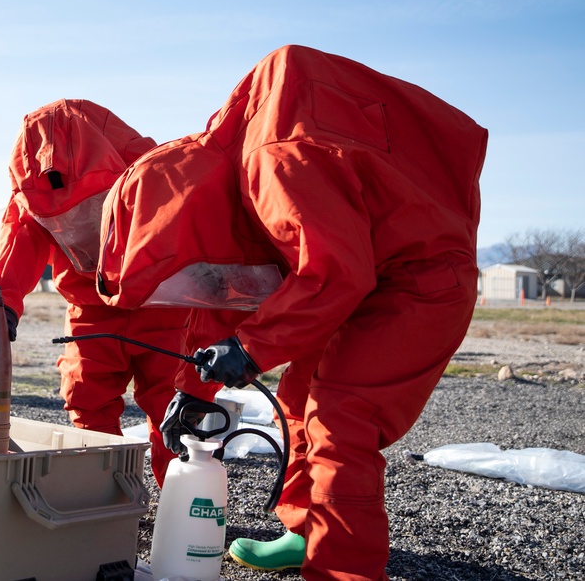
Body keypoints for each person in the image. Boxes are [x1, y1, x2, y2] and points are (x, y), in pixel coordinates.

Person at [96, 45, 488, 580]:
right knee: (300, 399)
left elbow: (335, 273)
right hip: (373, 268)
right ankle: (306, 534)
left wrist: (251, 348)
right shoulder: (226, 187)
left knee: (341, 423)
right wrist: (192, 386)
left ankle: (342, 571)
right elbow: (224, 291)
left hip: (418, 278)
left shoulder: (273, 163)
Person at [0, 99, 219, 487]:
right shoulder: (31, 192)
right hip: (93, 312)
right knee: (88, 405)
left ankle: (181, 501)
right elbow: (20, 238)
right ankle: (105, 503)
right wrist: (1, 304)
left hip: (164, 304)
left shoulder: (153, 165)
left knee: (176, 411)